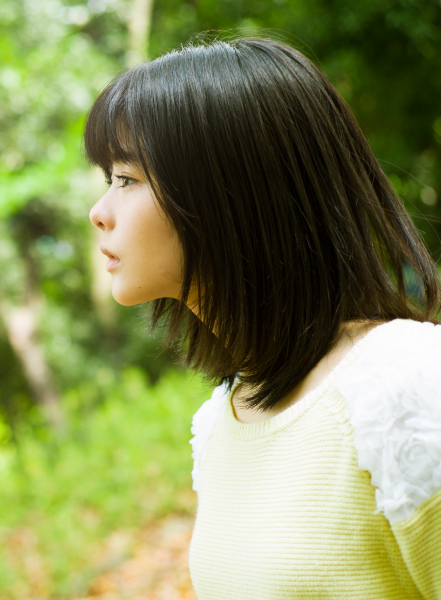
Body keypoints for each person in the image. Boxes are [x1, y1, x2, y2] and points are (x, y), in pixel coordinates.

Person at [84, 36, 441, 599]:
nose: (99, 212)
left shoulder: (402, 385)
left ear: (227, 191)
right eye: (109, 179)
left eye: (126, 179)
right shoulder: (221, 421)